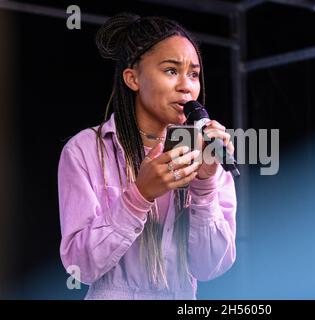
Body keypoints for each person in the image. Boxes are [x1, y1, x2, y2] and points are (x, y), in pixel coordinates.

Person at [57, 13, 237, 300]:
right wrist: (138, 197)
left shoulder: (206, 152)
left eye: (193, 74)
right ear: (133, 78)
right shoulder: (84, 150)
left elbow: (209, 267)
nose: (186, 86)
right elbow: (80, 268)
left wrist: (205, 186)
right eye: (170, 71)